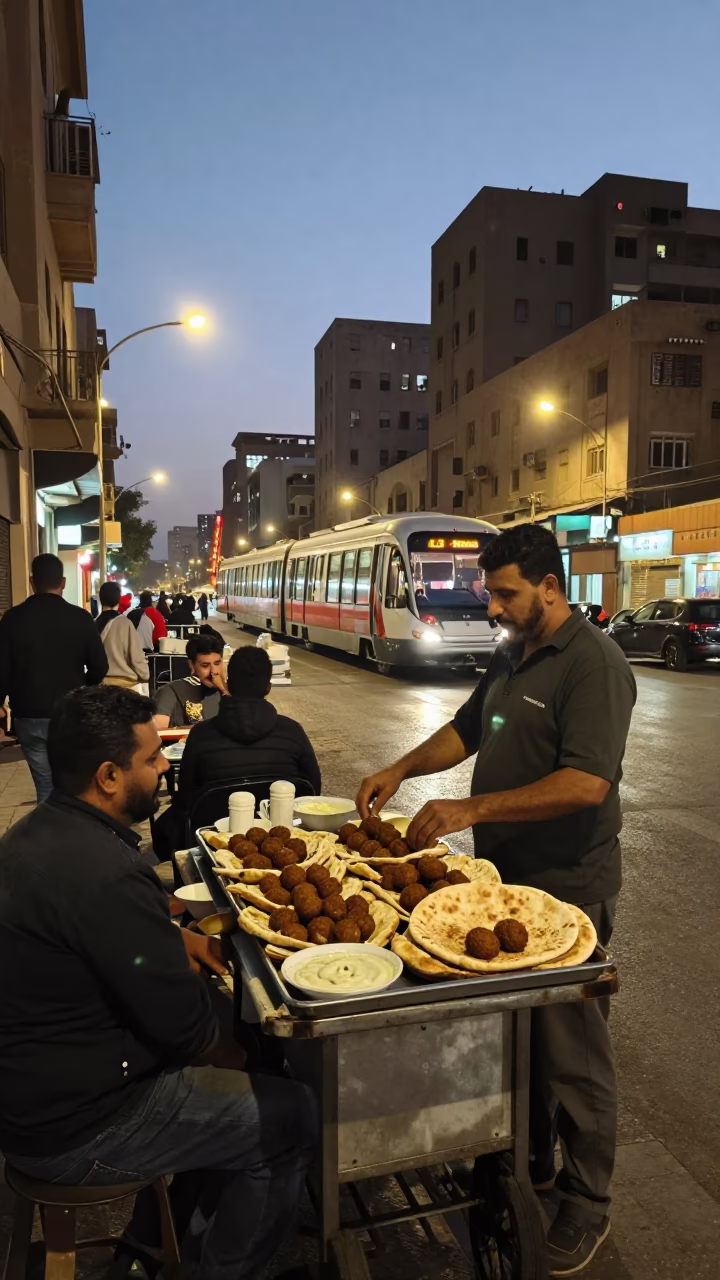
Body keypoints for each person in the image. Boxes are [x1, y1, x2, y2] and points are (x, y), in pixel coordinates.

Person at [357, 525, 636, 1277]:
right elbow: (468, 729)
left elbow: (587, 783)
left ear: (550, 586)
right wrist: (403, 770)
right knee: (525, 1043)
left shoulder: (595, 665)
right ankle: (535, 1163)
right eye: (492, 592)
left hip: (567, 889)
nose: (495, 606)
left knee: (574, 1052)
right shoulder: (514, 651)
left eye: (506, 592)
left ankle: (589, 1200)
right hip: (507, 885)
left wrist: (472, 812)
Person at [0, 685, 316, 1280]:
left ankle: (155, 1241)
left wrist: (177, 940)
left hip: (32, 1095)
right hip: (77, 1127)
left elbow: (91, 941)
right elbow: (185, 1031)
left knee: (236, 1070)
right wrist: (241, 1061)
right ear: (108, 776)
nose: (164, 765)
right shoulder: (110, 872)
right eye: (150, 759)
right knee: (290, 1113)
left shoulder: (35, 837)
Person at [0, 553, 108, 802]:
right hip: (70, 712)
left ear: (31, 581)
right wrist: (85, 688)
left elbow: (2, 668)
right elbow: (99, 666)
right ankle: (74, 832)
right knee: (73, 784)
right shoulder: (81, 618)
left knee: (45, 786)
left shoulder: (12, 619)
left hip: (28, 712)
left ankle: (49, 833)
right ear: (63, 582)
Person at [177, 645, 321, 810]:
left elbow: (186, 796)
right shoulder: (293, 732)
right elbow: (312, 791)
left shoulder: (200, 735)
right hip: (283, 830)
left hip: (214, 832)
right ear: (268, 688)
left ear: (228, 686)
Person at [153, 633, 226, 729]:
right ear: (191, 665)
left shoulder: (232, 691)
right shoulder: (170, 691)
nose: (213, 671)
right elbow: (158, 730)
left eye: (217, 663)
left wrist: (225, 691)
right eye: (205, 665)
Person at [97, 582, 150, 690]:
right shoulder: (125, 623)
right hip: (125, 686)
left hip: (101, 685)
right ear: (118, 599)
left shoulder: (94, 623)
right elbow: (136, 658)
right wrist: (145, 675)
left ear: (100, 599)